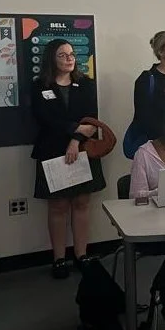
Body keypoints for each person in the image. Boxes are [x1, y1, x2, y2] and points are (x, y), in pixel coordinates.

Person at [31, 39, 106, 279]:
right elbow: (43, 118)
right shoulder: (39, 86)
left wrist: (75, 140)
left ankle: (81, 255)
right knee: (58, 205)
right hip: (52, 150)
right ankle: (59, 259)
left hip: (83, 149)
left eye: (72, 54)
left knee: (82, 202)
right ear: (51, 59)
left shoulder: (86, 84)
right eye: (63, 55)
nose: (69, 58)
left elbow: (91, 120)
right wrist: (74, 129)